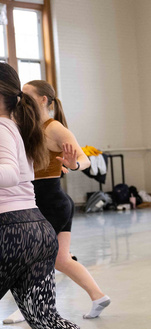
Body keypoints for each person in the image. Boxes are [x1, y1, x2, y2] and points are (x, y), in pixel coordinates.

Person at [15, 80, 110, 320]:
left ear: (44, 100)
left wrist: (74, 164)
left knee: (31, 255)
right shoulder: (28, 126)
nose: (22, 98)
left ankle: (29, 305)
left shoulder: (53, 127)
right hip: (46, 200)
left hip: (51, 201)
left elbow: (84, 158)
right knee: (61, 259)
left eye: (28, 95)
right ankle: (99, 296)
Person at [0, 63, 79, 328]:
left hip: (11, 233)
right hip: (36, 230)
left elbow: (9, 174)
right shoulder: (16, 128)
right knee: (47, 320)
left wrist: (74, 163)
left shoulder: (3, 127)